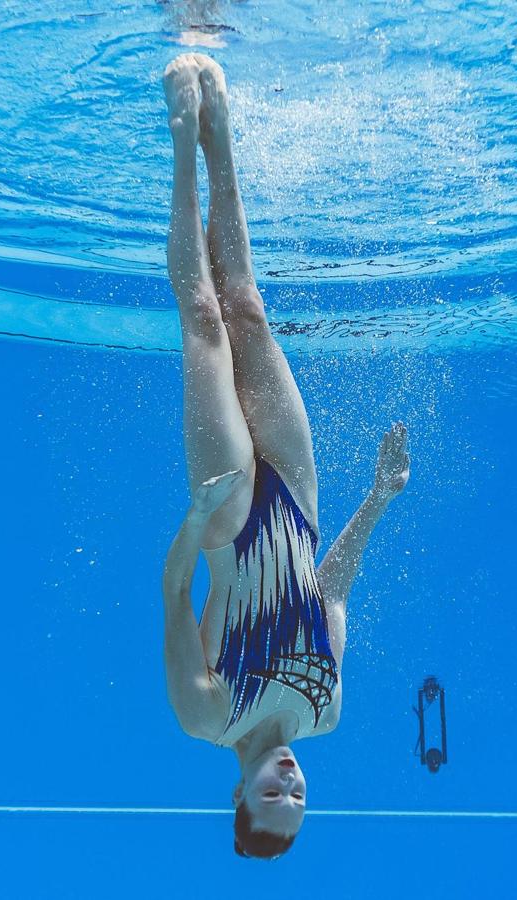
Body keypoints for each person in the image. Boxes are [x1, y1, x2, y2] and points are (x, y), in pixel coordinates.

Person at [161, 53, 410, 859]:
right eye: (300, 798)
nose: (291, 783)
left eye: (273, 796)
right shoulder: (325, 707)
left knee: (203, 317)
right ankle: (221, 135)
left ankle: (178, 137)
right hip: (299, 504)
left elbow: (171, 596)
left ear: (240, 794)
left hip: (228, 519)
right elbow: (328, 592)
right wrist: (377, 499)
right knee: (250, 311)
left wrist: (194, 519)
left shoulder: (207, 717)